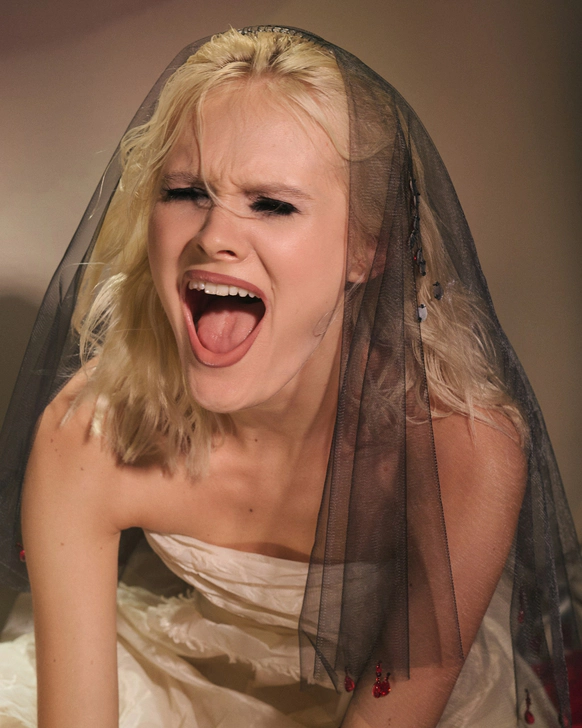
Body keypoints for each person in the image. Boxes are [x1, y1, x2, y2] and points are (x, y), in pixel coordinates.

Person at [0, 25, 580, 728]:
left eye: (271, 204)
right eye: (185, 191)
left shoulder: (465, 451)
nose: (214, 235)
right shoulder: (87, 436)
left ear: (366, 249)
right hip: (182, 676)